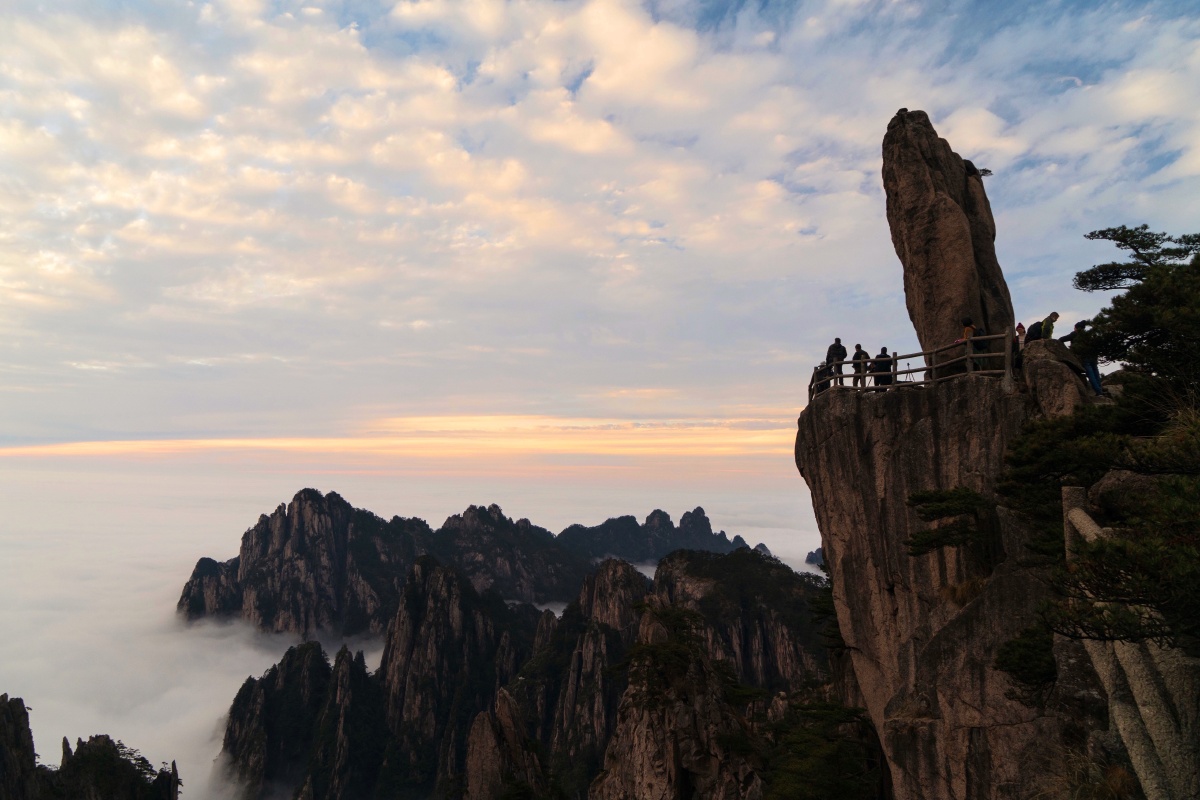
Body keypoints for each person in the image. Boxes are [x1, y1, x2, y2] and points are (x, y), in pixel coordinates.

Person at [1066, 321, 1103, 396]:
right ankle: (1100, 389)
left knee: (1090, 374)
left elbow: (1062, 339)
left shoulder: (1075, 334)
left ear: (1077, 328)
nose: (1074, 329)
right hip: (1093, 355)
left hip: (1085, 356)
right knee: (1095, 372)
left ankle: (1098, 391)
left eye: (1074, 328)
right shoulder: (1088, 334)